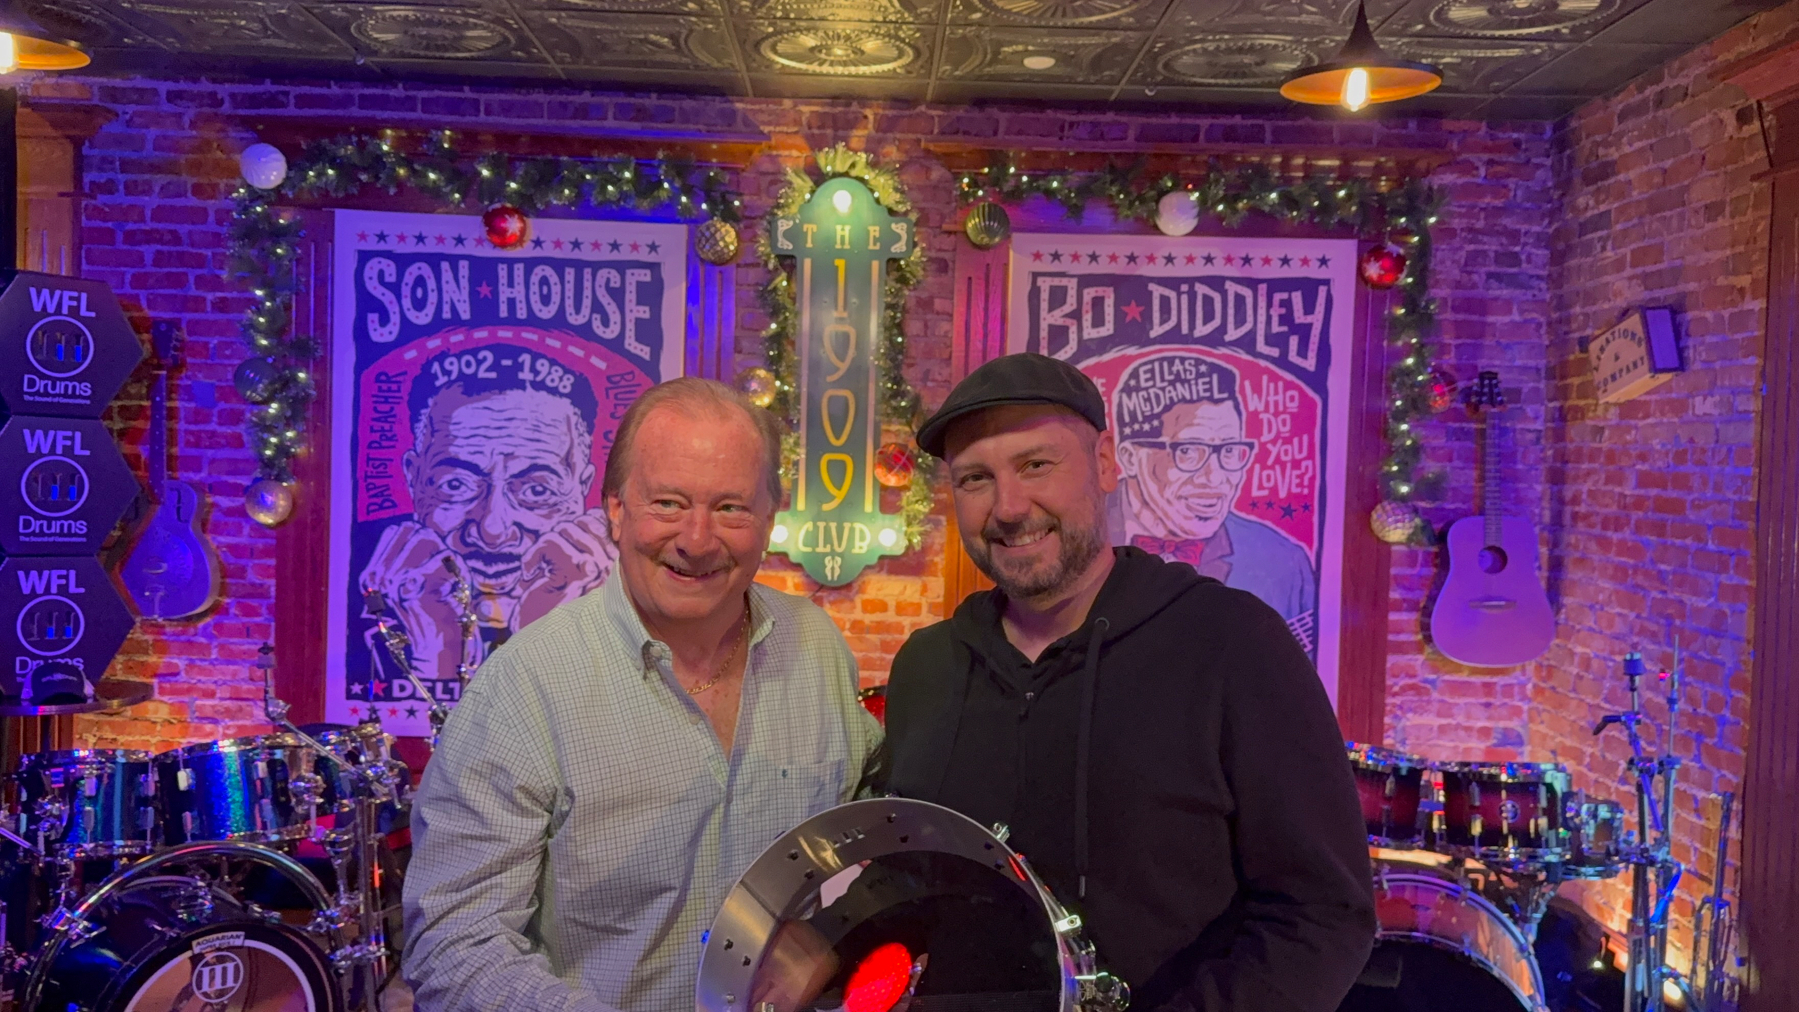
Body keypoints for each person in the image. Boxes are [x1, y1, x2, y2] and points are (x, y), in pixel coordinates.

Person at [882, 353, 1374, 1012]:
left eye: (1036, 465)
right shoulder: (927, 666)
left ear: (1107, 464)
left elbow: (1322, 914)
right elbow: (908, 882)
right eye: (974, 478)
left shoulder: (1231, 643)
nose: (1008, 506)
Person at [402, 377, 882, 1012]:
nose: (698, 539)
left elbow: (871, 824)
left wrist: (831, 936)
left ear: (770, 518)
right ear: (617, 509)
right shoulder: (525, 686)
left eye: (732, 507)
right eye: (668, 503)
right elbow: (454, 945)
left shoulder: (815, 646)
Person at [359, 344, 617, 681]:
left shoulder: (627, 630)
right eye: (456, 485)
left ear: (583, 490)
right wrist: (438, 651)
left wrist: (546, 631)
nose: (493, 530)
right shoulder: (374, 639)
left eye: (537, 490)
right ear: (415, 481)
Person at [1111, 352, 1318, 653]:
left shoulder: (1284, 565)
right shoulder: (1073, 541)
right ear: (1130, 457)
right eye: (1189, 451)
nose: (1216, 478)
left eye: (1230, 451)